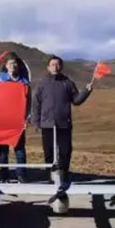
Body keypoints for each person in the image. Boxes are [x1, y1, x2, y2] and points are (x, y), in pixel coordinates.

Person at [30, 55, 93, 185]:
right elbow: (36, 103)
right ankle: (50, 175)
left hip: (64, 123)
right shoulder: (42, 83)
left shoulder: (68, 83)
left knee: (65, 150)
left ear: (61, 66)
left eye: (57, 64)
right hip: (47, 124)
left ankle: (63, 174)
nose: (55, 67)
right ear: (48, 67)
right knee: (49, 152)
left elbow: (76, 101)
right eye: (52, 65)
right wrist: (36, 122)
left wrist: (86, 92)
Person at [0, 53, 30, 183]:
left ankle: (21, 175)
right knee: (3, 150)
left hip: (18, 120)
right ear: (6, 66)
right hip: (3, 119)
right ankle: (4, 176)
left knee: (19, 150)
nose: (12, 65)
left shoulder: (24, 81)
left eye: (14, 63)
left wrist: (27, 116)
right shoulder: (0, 78)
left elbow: (28, 100)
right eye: (10, 63)